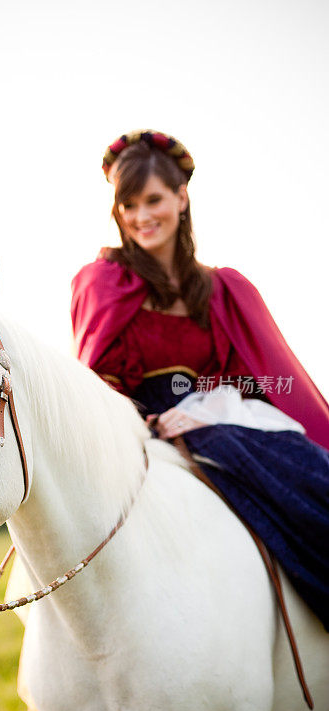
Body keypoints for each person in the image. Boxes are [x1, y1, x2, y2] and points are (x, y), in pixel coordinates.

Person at [71, 129, 329, 631]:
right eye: (128, 205)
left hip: (220, 416)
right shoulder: (103, 281)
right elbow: (94, 382)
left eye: (153, 200)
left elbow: (267, 381)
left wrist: (210, 406)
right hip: (138, 426)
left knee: (310, 479)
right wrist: (142, 420)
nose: (141, 216)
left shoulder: (222, 288)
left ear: (181, 197)